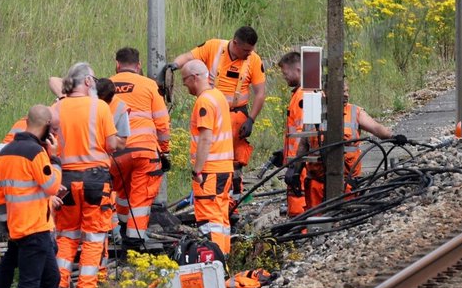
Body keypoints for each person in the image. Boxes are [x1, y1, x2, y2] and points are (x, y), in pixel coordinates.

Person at [0, 105, 61, 288]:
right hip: (35, 229)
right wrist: (55, 159)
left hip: (20, 227)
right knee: (30, 285)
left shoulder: (6, 152)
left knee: (51, 279)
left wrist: (8, 225)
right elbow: (51, 186)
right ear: (44, 128)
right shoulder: (36, 153)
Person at [52, 62, 119, 288]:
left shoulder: (56, 108)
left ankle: (59, 284)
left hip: (65, 180)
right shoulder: (99, 107)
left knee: (67, 233)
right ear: (89, 82)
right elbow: (111, 144)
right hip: (95, 180)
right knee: (93, 236)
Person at [172, 27, 266, 201]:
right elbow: (187, 58)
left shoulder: (253, 60)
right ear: (235, 43)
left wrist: (251, 119)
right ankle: (212, 193)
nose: (249, 54)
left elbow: (260, 93)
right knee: (211, 156)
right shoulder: (214, 47)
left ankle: (234, 201)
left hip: (238, 116)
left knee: (236, 160)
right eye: (246, 50)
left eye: (251, 50)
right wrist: (172, 67)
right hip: (213, 112)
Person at [293, 81, 405, 210]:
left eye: (347, 91)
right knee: (316, 222)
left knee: (345, 218)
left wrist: (392, 137)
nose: (346, 95)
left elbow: (376, 127)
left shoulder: (354, 112)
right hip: (316, 185)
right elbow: (303, 145)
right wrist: (295, 171)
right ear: (326, 93)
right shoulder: (314, 110)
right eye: (342, 92)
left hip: (346, 183)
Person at [108, 47, 171, 246]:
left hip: (116, 153)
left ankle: (123, 230)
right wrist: (164, 150)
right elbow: (162, 123)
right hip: (144, 152)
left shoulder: (106, 86)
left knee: (121, 194)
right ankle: (134, 242)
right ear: (139, 65)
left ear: (117, 64)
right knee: (140, 197)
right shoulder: (149, 85)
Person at [182, 60, 234, 254]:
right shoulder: (218, 96)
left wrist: (197, 169)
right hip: (224, 169)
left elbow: (205, 138)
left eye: (185, 80)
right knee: (221, 219)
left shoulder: (204, 101)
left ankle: (214, 263)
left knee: (209, 221)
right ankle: (224, 259)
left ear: (194, 78)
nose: (184, 84)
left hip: (210, 171)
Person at [278, 51, 307, 217]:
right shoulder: (298, 95)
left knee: (299, 206)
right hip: (297, 162)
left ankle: (301, 234)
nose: (284, 77)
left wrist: (295, 165)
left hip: (301, 165)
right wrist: (284, 154)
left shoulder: (303, 96)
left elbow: (305, 133)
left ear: (297, 69)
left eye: (285, 73)